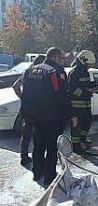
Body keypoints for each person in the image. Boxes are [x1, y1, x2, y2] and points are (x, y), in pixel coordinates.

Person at [20, 47, 77, 185]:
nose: (63, 61)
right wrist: (72, 115)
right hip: (52, 118)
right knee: (52, 147)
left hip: (34, 116)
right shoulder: (55, 72)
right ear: (55, 57)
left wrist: (26, 114)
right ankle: (49, 177)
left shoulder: (30, 70)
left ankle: (37, 172)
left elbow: (25, 94)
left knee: (38, 145)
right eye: (62, 58)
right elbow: (62, 96)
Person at [13, 55, 46, 166]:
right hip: (40, 108)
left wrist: (23, 97)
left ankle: (24, 157)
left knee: (26, 133)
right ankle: (39, 158)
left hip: (27, 108)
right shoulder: (44, 73)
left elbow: (15, 86)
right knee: (39, 133)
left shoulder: (27, 72)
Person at [68, 50, 97, 152]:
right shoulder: (74, 73)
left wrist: (93, 86)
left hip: (86, 104)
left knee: (87, 122)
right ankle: (75, 146)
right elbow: (72, 89)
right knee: (76, 126)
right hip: (76, 106)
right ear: (83, 61)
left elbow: (86, 85)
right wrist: (86, 93)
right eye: (88, 64)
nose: (89, 66)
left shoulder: (86, 73)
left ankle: (82, 139)